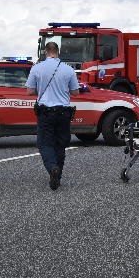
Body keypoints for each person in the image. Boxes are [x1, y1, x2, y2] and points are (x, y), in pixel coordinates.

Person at [26, 41, 79, 190]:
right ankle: (58, 175)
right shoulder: (68, 70)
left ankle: (52, 168)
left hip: (46, 112)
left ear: (45, 52)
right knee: (60, 144)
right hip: (64, 112)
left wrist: (42, 90)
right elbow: (75, 92)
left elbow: (29, 91)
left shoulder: (37, 68)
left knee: (45, 144)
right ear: (58, 51)